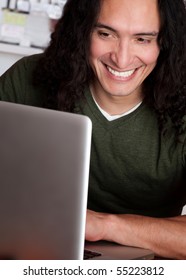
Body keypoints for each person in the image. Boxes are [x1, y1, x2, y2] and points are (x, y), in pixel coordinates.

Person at [0, 0, 186, 259]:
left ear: (166, 43)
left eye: (142, 39)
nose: (121, 59)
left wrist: (104, 225)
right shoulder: (28, 78)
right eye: (105, 34)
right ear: (82, 30)